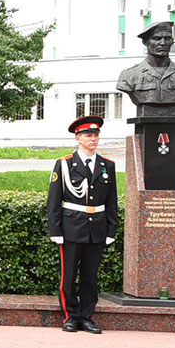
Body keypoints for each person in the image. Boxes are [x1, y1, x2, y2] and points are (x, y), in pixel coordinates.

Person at [47, 115, 118, 334]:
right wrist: (55, 229)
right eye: (88, 135)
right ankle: (70, 316)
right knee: (68, 276)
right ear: (78, 138)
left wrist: (111, 228)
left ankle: (87, 317)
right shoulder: (65, 164)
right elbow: (54, 199)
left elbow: (112, 200)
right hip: (71, 226)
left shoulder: (107, 165)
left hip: (97, 228)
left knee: (90, 276)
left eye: (95, 135)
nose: (93, 139)